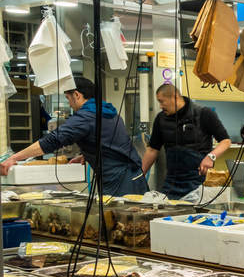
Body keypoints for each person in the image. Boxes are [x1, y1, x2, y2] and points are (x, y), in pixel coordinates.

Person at [0, 77, 148, 197]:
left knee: (121, 226)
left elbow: (51, 141)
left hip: (118, 180)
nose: (69, 104)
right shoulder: (107, 110)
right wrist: (87, 154)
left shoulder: (85, 116)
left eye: (68, 98)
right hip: (134, 176)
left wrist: (14, 158)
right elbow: (107, 140)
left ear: (77, 94)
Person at [142, 84, 231, 199]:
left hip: (198, 182)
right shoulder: (161, 119)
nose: (160, 106)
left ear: (174, 97)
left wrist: (211, 156)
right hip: (172, 182)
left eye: (162, 101)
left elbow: (226, 141)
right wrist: (140, 175)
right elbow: (153, 149)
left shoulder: (203, 113)